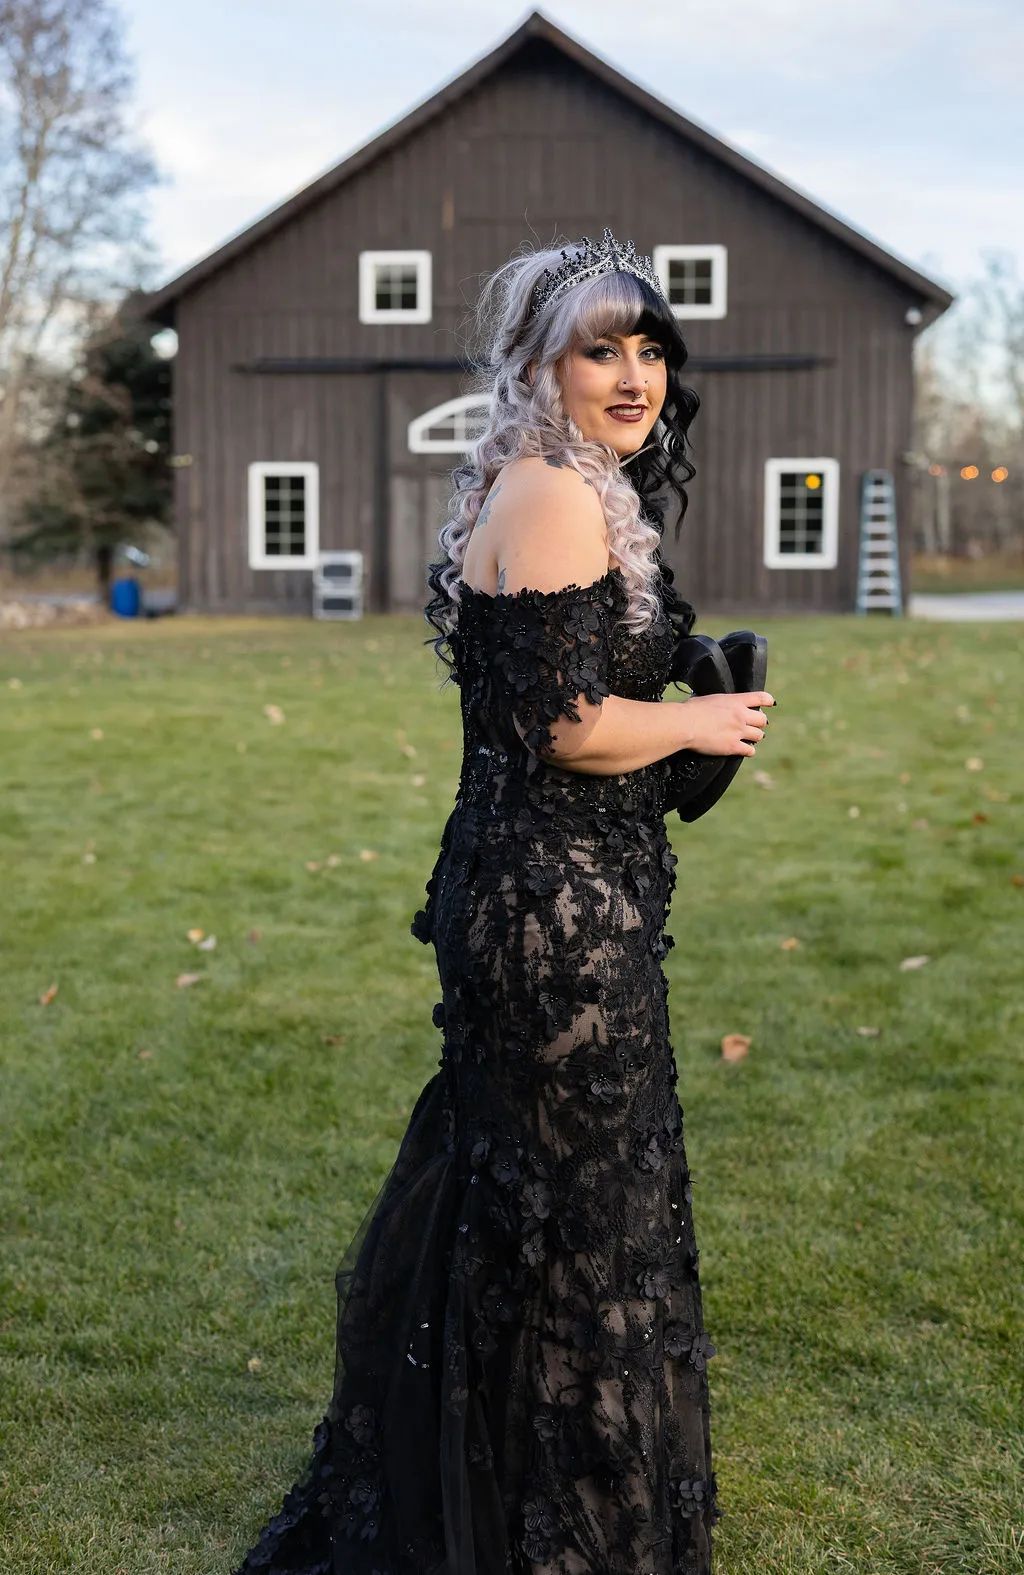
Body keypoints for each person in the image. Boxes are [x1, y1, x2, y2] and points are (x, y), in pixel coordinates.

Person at [231, 230, 775, 1575]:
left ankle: (509, 1491)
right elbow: (565, 726)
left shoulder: (574, 487)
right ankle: (539, 1521)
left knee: (541, 1194)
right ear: (540, 366)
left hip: (562, 885)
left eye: (651, 349)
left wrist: (681, 713)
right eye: (603, 350)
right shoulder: (551, 493)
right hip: (549, 909)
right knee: (569, 1208)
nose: (635, 376)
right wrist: (699, 717)